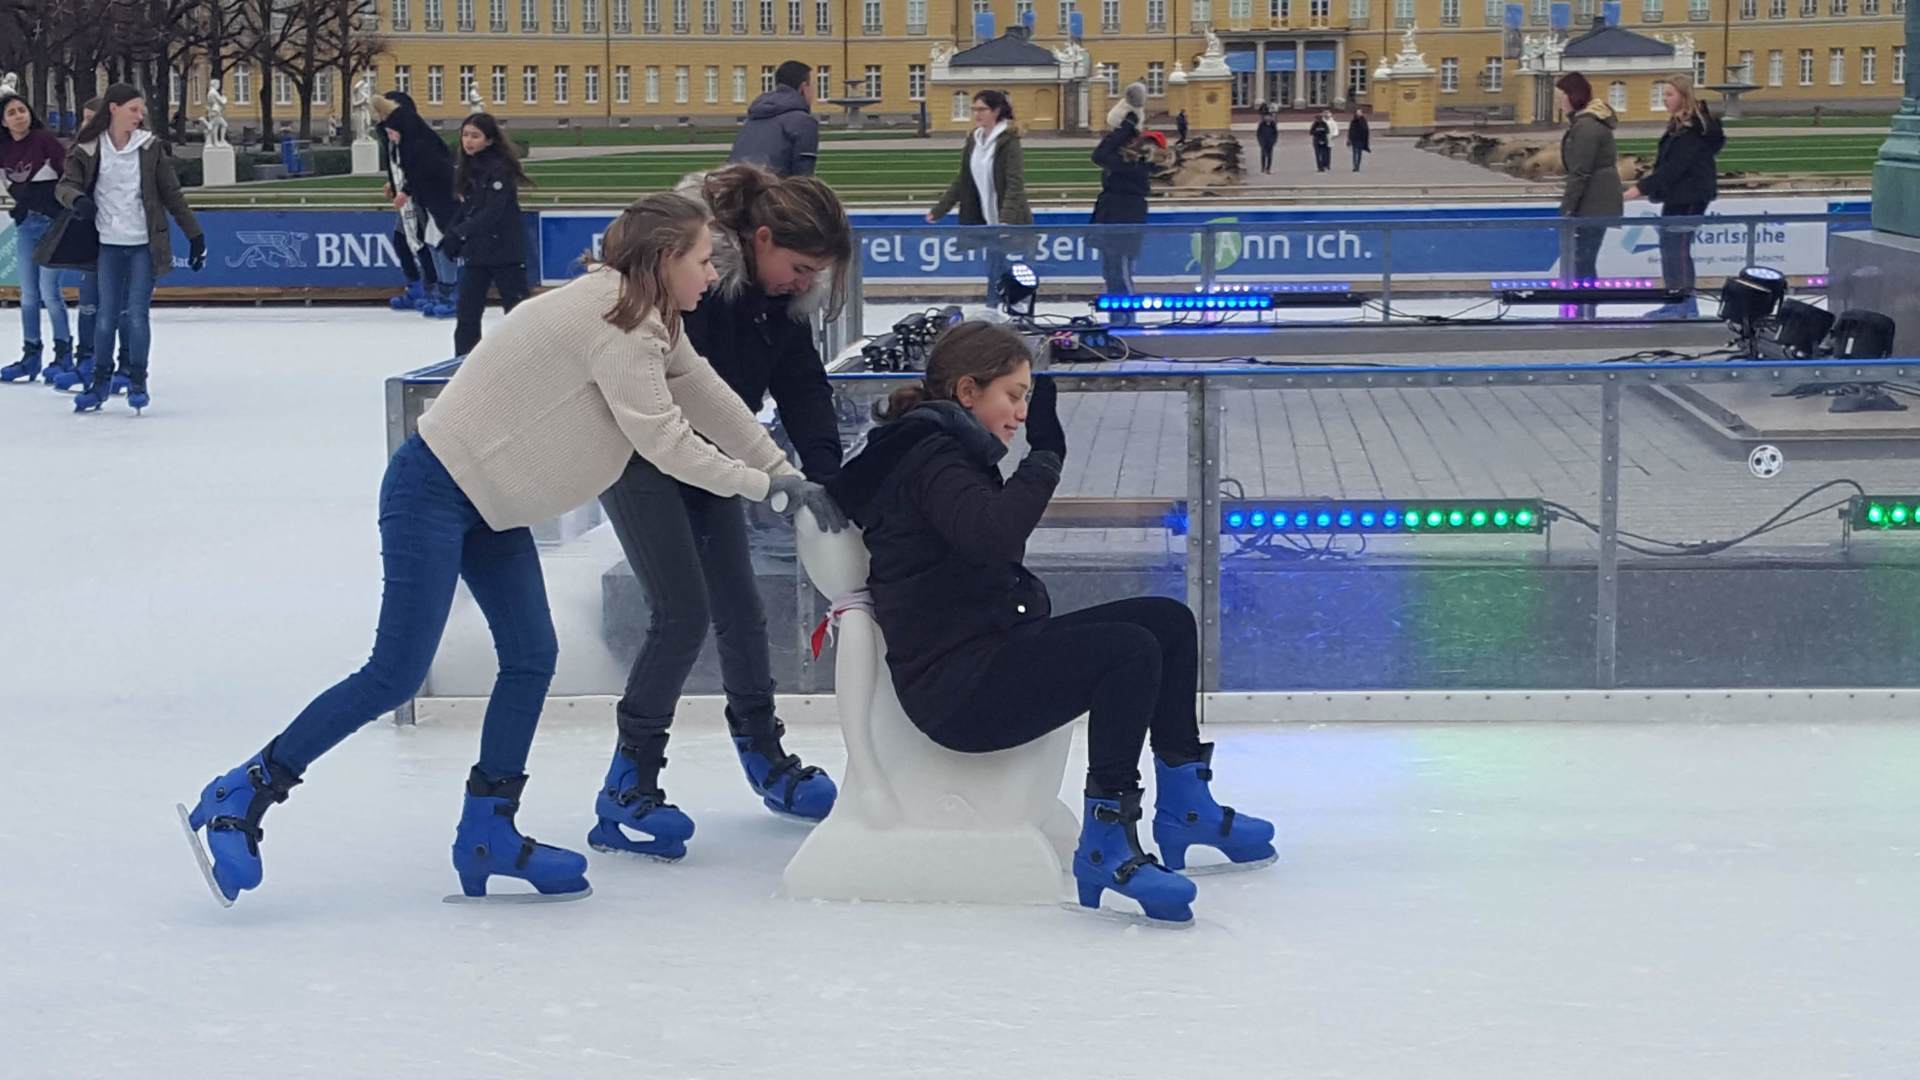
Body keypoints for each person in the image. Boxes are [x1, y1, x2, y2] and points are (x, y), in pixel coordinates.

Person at [178, 191, 832, 907]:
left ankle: (488, 829)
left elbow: (708, 397)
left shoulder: (650, 316)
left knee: (530, 657)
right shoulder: (617, 323)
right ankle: (245, 791)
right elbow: (665, 439)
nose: (713, 273)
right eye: (704, 260)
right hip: (434, 490)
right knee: (395, 672)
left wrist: (784, 473)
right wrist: (764, 488)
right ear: (666, 258)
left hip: (492, 507)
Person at [826, 322, 1277, 928]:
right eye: (1013, 396)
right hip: (959, 692)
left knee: (1167, 621)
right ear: (967, 391)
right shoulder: (931, 458)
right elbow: (993, 536)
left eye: (1028, 398)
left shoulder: (943, 450)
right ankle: (1107, 840)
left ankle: (1186, 807)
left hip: (986, 653)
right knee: (1128, 651)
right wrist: (1046, 458)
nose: (1021, 413)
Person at [588, 164, 854, 860]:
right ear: (761, 240)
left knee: (741, 607)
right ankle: (629, 781)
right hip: (638, 454)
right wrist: (763, 474)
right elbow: (666, 395)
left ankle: (764, 754)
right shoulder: (690, 283)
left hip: (713, 460)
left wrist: (824, 479)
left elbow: (803, 387)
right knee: (682, 611)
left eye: (815, 275)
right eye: (799, 268)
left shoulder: (777, 305)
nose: (803, 283)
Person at [55, 83, 205, 414]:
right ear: (114, 109)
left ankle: (137, 380)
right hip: (107, 245)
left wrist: (195, 236)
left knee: (136, 315)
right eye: (134, 109)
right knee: (106, 316)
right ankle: (99, 383)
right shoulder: (89, 148)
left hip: (143, 246)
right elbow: (65, 186)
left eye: (141, 110)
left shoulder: (149, 147)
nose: (140, 115)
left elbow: (172, 195)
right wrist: (77, 200)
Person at [1623, 75, 1725, 319]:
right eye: (1664, 94)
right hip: (1678, 196)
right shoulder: (1679, 127)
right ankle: (1675, 299)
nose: (1664, 99)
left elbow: (1675, 167)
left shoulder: (1691, 131)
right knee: (1670, 247)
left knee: (1676, 248)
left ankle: (1684, 303)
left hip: (1689, 197)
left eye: (1669, 94)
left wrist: (1641, 188)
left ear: (1683, 96)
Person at [926, 90, 1031, 306]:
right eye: (974, 109)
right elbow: (963, 179)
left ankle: (1008, 304)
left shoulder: (1009, 142)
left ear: (996, 111)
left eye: (982, 109)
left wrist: (1006, 220)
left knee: (1003, 265)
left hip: (1005, 219)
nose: (976, 114)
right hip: (985, 218)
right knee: (994, 264)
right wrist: (940, 209)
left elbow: (1015, 184)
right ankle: (996, 304)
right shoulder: (974, 140)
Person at [0, 89, 74, 385]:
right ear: (3, 122)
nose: (19, 116)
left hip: (53, 225)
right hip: (26, 227)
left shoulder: (44, 141)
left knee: (49, 291)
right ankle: (31, 355)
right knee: (28, 294)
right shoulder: (3, 149)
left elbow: (70, 177)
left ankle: (63, 355)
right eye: (11, 113)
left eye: (22, 110)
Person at [444, 112, 530, 356]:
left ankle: (528, 360)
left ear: (489, 140)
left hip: (505, 252)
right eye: (465, 135)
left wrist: (460, 233)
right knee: (467, 314)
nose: (468, 141)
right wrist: (451, 233)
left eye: (475, 136)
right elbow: (467, 207)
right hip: (477, 253)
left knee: (517, 313)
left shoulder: (499, 170)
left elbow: (493, 212)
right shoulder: (468, 168)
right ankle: (465, 362)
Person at [375, 91, 460, 319]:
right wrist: (395, 185)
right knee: (415, 241)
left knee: (433, 243)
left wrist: (405, 190)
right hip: (422, 199)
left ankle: (442, 291)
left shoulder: (419, 143)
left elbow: (424, 169)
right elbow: (399, 166)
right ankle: (428, 289)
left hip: (432, 201)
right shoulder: (401, 141)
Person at [1555, 72, 1622, 313]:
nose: (1559, 102)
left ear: (1572, 96)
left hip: (1592, 202)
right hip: (1597, 200)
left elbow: (1580, 171)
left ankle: (1584, 306)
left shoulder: (1586, 127)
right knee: (1584, 257)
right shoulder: (1589, 123)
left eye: (1561, 96)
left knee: (1582, 258)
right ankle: (1585, 305)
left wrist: (1567, 208)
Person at [1091, 113, 1157, 326]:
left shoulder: (1133, 162)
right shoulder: (1126, 161)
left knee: (1120, 272)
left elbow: (1099, 154)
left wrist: (1125, 126)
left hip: (1123, 219)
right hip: (1113, 217)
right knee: (1111, 273)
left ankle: (1127, 319)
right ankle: (1118, 318)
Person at [729, 60, 820, 178]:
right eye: (812, 86)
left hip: (734, 185)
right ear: (803, 88)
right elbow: (803, 177)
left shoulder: (753, 118)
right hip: (770, 186)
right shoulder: (804, 122)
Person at [1254, 107, 1279, 175]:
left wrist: (1274, 141)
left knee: (1270, 156)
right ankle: (1263, 167)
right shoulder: (1262, 124)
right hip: (1263, 142)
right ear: (1264, 117)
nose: (1268, 118)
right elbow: (1258, 133)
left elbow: (1275, 133)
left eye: (1269, 117)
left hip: (1270, 142)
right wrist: (1260, 141)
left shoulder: (1273, 125)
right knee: (1263, 155)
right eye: (1266, 116)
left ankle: (1268, 168)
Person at [1346, 105, 1370, 173]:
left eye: (1360, 113)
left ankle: (1357, 166)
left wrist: (1366, 140)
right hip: (1354, 139)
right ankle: (1355, 166)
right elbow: (1350, 130)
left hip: (1361, 140)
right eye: (1358, 113)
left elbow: (1366, 130)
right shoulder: (1353, 121)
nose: (1359, 114)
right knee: (1355, 153)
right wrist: (1349, 138)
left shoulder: (1363, 121)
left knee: (1359, 153)